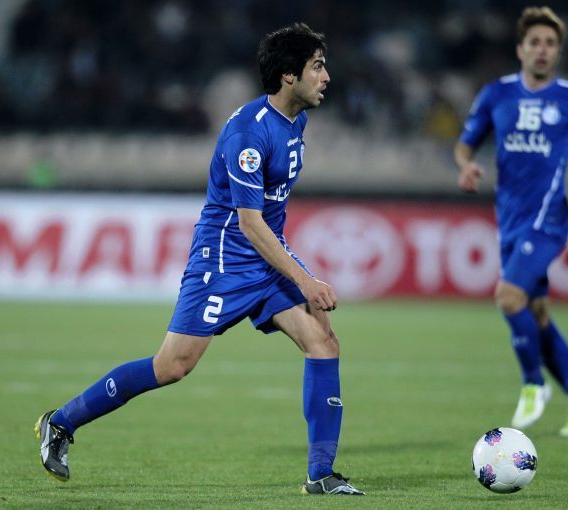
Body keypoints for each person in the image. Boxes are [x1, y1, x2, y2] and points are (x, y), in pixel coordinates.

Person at [35, 23, 365, 495]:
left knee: (323, 341)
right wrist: (305, 279)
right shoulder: (248, 134)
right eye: (317, 66)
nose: (326, 76)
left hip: (265, 259)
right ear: (288, 76)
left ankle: (321, 475)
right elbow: (249, 223)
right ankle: (61, 422)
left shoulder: (296, 121)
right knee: (172, 366)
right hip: (224, 261)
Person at [454, 6, 568, 437]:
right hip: (509, 219)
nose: (542, 50)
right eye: (535, 42)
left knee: (508, 297)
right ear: (520, 49)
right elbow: (464, 145)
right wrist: (466, 167)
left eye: (550, 43)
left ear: (558, 51)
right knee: (537, 313)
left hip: (548, 219)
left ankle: (533, 384)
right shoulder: (496, 94)